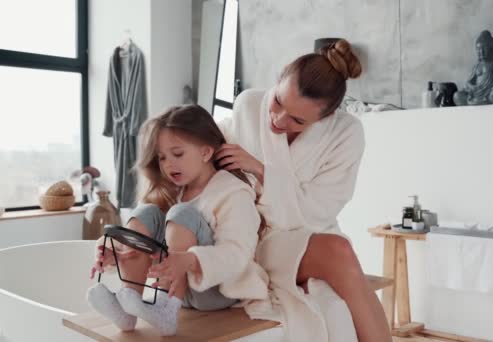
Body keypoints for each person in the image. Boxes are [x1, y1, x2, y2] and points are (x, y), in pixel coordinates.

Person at [215, 39, 392, 342]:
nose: (278, 120)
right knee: (340, 253)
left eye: (297, 120)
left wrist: (262, 171)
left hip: (307, 232)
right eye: (278, 102)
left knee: (339, 253)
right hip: (251, 236)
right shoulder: (248, 106)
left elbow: (316, 213)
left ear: (325, 118)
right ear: (280, 78)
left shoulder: (345, 134)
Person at [86, 105, 269, 336]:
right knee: (147, 211)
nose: (168, 164)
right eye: (162, 157)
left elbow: (237, 254)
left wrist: (190, 260)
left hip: (218, 291)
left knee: (182, 214)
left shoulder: (233, 192)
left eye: (177, 154)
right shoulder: (176, 191)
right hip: (182, 291)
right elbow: (154, 249)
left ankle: (165, 309)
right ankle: (128, 303)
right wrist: (116, 252)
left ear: (206, 152)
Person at [453, 30, 493, 106]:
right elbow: (468, 82)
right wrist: (472, 87)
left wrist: (488, 87)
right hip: (475, 93)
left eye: (484, 49)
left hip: (488, 92)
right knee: (457, 96)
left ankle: (488, 99)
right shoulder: (476, 66)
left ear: (491, 49)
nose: (481, 52)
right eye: (478, 49)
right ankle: (477, 101)